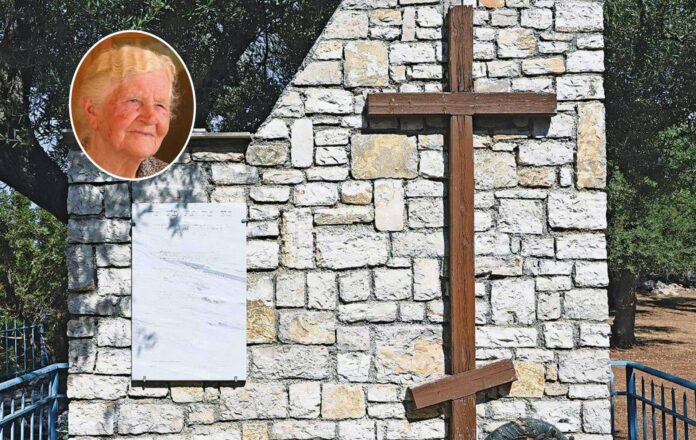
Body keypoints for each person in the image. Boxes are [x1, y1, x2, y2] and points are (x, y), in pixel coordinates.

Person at [73, 42, 179, 179]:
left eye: (160, 105)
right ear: (92, 111)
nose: (150, 118)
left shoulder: (172, 178)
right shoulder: (66, 172)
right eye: (133, 100)